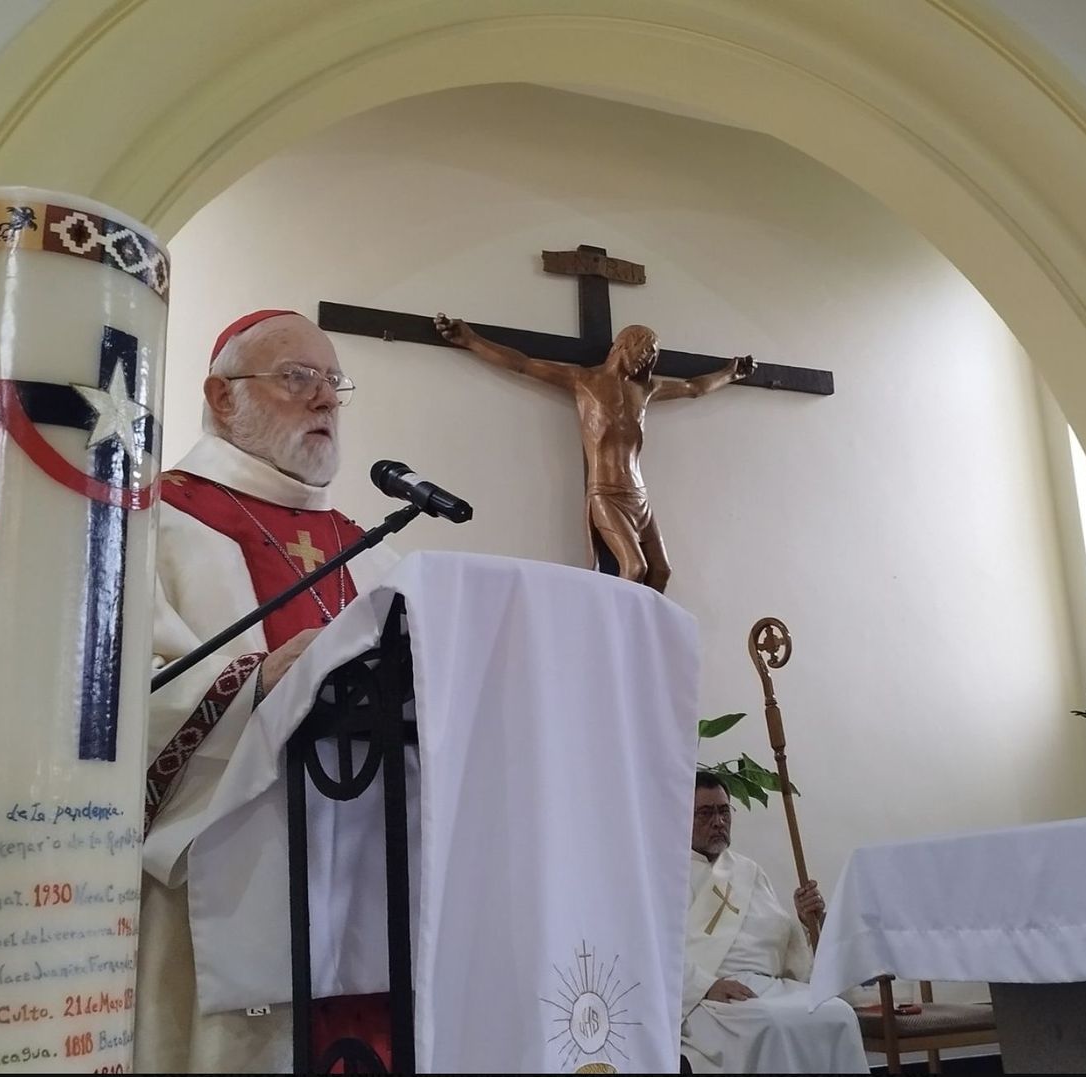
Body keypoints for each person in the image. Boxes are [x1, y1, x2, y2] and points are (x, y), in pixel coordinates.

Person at [134, 310, 399, 1072]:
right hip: (226, 881)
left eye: (333, 381)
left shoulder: (367, 547)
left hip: (366, 882)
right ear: (222, 398)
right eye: (297, 377)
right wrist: (254, 683)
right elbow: (119, 697)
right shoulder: (158, 521)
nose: (326, 399)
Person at [433, 313, 751, 592]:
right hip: (606, 492)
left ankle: (647, 630)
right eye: (643, 351)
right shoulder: (584, 380)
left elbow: (693, 388)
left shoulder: (645, 389)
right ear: (623, 346)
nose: (647, 360)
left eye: (652, 355)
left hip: (638, 494)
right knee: (635, 567)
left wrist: (729, 373)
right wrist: (471, 340)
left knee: (661, 571)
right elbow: (523, 364)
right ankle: (615, 629)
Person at [681, 773, 869, 1074]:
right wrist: (706, 986)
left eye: (724, 811)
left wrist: (807, 922)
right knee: (771, 1023)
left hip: (770, 986)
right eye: (705, 813)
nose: (718, 821)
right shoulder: (667, 875)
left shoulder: (748, 871)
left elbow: (785, 946)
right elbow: (653, 955)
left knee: (838, 1013)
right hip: (710, 995)